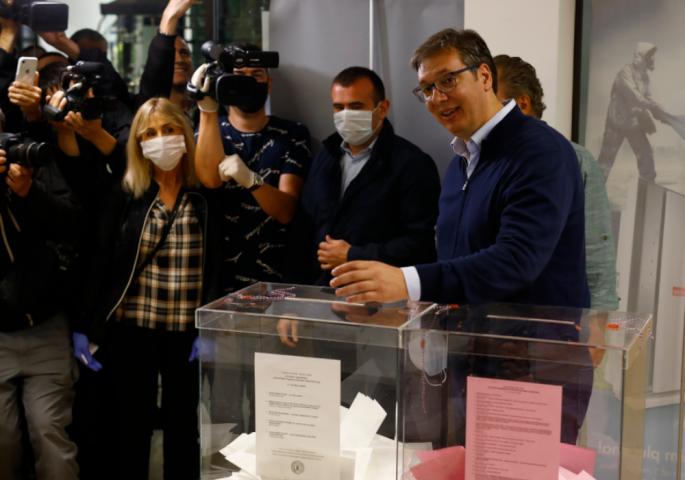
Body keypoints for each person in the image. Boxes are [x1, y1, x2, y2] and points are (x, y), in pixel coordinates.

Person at [331, 28, 590, 311]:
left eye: (448, 80)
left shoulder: (541, 151)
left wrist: (408, 281)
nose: (437, 97)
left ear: (485, 77)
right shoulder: (460, 161)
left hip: (534, 337)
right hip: (467, 335)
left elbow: (516, 261)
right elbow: (455, 261)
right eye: (427, 89)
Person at [72, 97, 220, 480]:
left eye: (169, 129)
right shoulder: (126, 192)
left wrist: (212, 327)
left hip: (186, 331)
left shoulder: (204, 194)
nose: (161, 139)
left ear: (184, 133)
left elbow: (218, 264)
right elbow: (100, 260)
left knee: (183, 428)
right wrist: (85, 324)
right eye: (150, 133)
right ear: (138, 144)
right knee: (131, 428)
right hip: (133, 327)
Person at [493, 54, 618, 311]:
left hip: (553, 320)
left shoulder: (576, 159)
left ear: (522, 104)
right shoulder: (476, 161)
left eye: (491, 104)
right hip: (486, 317)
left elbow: (596, 252)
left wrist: (598, 319)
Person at [293, 66, 440, 285]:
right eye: (338, 107)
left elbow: (421, 244)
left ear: (382, 108)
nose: (346, 115)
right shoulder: (326, 156)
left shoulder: (412, 164)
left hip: (378, 293)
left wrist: (353, 254)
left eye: (356, 107)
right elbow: (305, 226)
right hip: (322, 291)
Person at [0, 112, 82, 480]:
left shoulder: (28, 158)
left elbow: (73, 225)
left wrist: (28, 193)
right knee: (2, 440)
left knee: (50, 436)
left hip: (45, 325)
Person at [192, 42, 311, 293]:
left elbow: (286, 211)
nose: (248, 82)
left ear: (269, 83)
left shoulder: (292, 134)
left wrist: (251, 180)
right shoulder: (210, 132)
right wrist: (207, 108)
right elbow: (210, 180)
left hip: (276, 278)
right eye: (239, 76)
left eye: (256, 75)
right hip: (219, 279)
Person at [597, 42, 661, 182]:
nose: (653, 59)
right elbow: (635, 95)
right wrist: (652, 107)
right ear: (642, 57)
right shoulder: (625, 72)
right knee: (605, 162)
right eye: (650, 55)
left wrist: (659, 110)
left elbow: (647, 97)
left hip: (633, 123)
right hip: (616, 123)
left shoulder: (645, 77)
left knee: (646, 155)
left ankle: (647, 188)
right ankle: (593, 192)